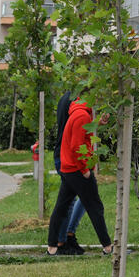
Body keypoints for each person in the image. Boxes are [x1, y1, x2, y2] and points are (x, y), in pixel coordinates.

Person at [47, 97, 112, 256]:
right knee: (95, 207)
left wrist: (97, 124)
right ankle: (108, 247)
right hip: (77, 170)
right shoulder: (82, 115)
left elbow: (81, 131)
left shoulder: (78, 112)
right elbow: (77, 145)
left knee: (61, 207)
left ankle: (52, 248)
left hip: (69, 168)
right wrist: (85, 170)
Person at [53, 90, 86, 255]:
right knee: (70, 200)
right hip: (69, 155)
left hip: (65, 154)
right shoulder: (76, 101)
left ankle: (67, 236)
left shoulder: (65, 97)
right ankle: (62, 241)